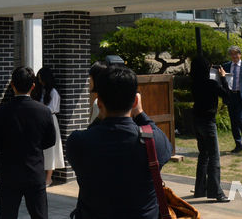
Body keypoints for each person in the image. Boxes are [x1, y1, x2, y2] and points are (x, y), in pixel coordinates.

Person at [66, 64, 172, 219]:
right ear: (136, 101)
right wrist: (140, 113)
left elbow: (91, 131)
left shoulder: (78, 142)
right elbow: (163, 143)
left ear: (99, 102)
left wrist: (101, 112)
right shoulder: (153, 142)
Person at [0, 66, 55, 219]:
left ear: (12, 85)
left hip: (9, 172)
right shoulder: (43, 111)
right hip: (35, 171)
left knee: (8, 215)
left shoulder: (0, 112)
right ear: (33, 86)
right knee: (39, 215)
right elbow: (50, 141)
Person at [190, 57, 231, 202]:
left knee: (203, 155)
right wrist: (224, 78)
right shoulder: (211, 84)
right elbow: (227, 95)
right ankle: (216, 192)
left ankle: (200, 189)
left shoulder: (194, 83)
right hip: (208, 122)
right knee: (214, 157)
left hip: (196, 121)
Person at [32, 66, 64, 187]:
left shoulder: (53, 92)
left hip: (50, 120)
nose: (39, 81)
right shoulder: (42, 91)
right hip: (42, 120)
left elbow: (51, 109)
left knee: (50, 149)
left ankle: (49, 178)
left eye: (41, 79)